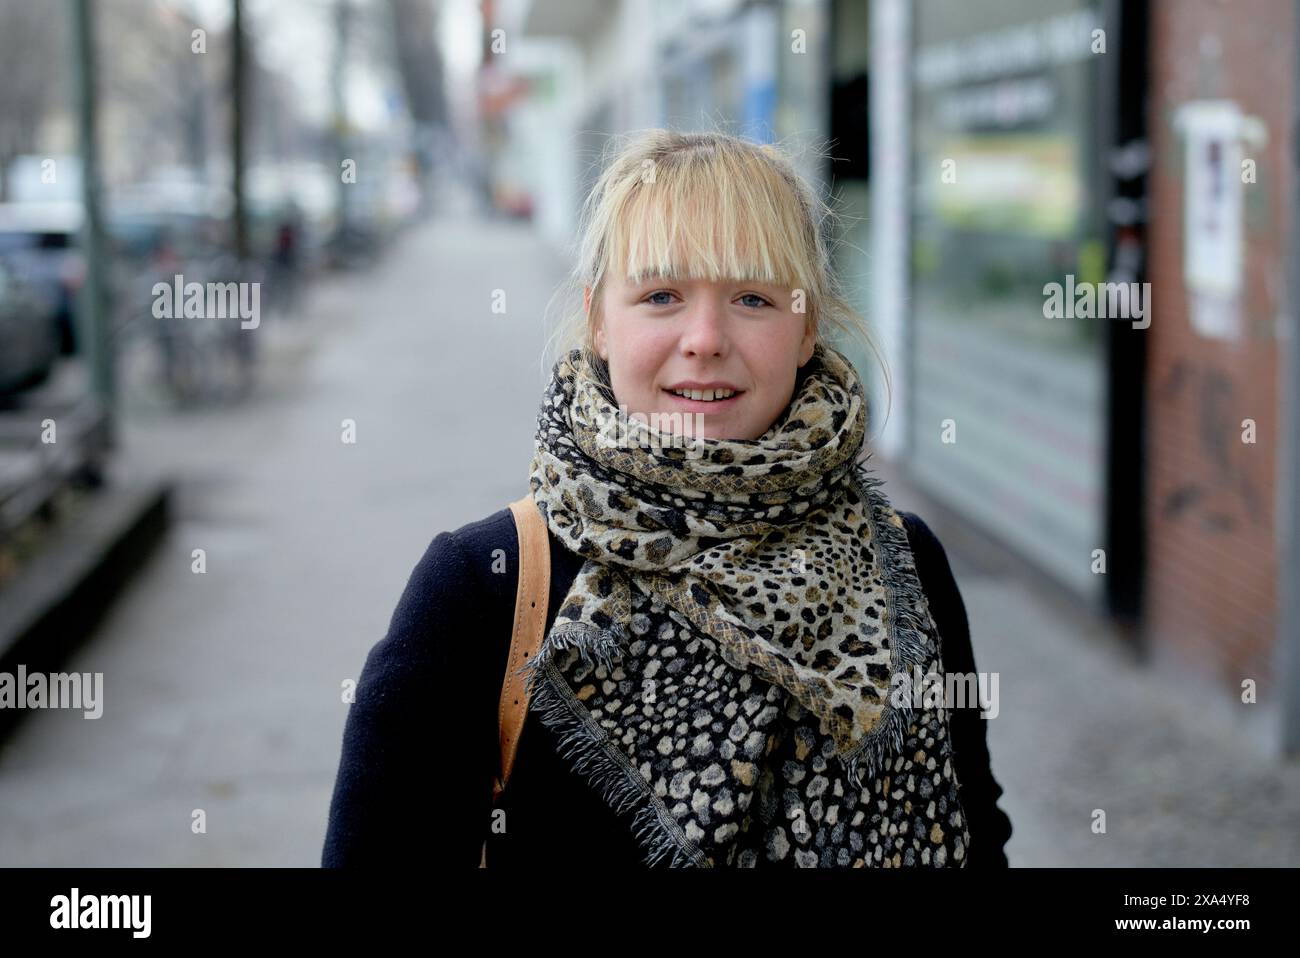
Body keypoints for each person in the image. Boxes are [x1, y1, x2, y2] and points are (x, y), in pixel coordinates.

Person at [322, 129, 1013, 868]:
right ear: (598, 321)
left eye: (752, 296)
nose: (706, 338)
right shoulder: (482, 586)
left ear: (807, 325)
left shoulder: (907, 563)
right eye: (661, 295)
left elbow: (978, 836)